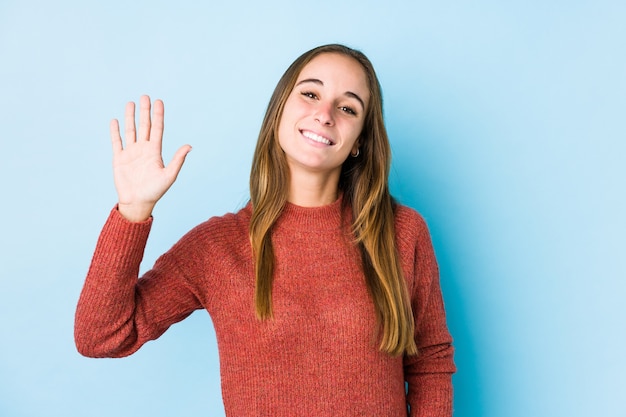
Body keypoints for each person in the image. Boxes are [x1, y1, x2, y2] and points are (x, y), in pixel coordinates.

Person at [75, 44, 456, 416]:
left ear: (360, 142)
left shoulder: (401, 233)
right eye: (310, 94)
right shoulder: (218, 248)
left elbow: (430, 365)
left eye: (347, 107)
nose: (325, 114)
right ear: (279, 112)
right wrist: (133, 212)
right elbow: (102, 336)